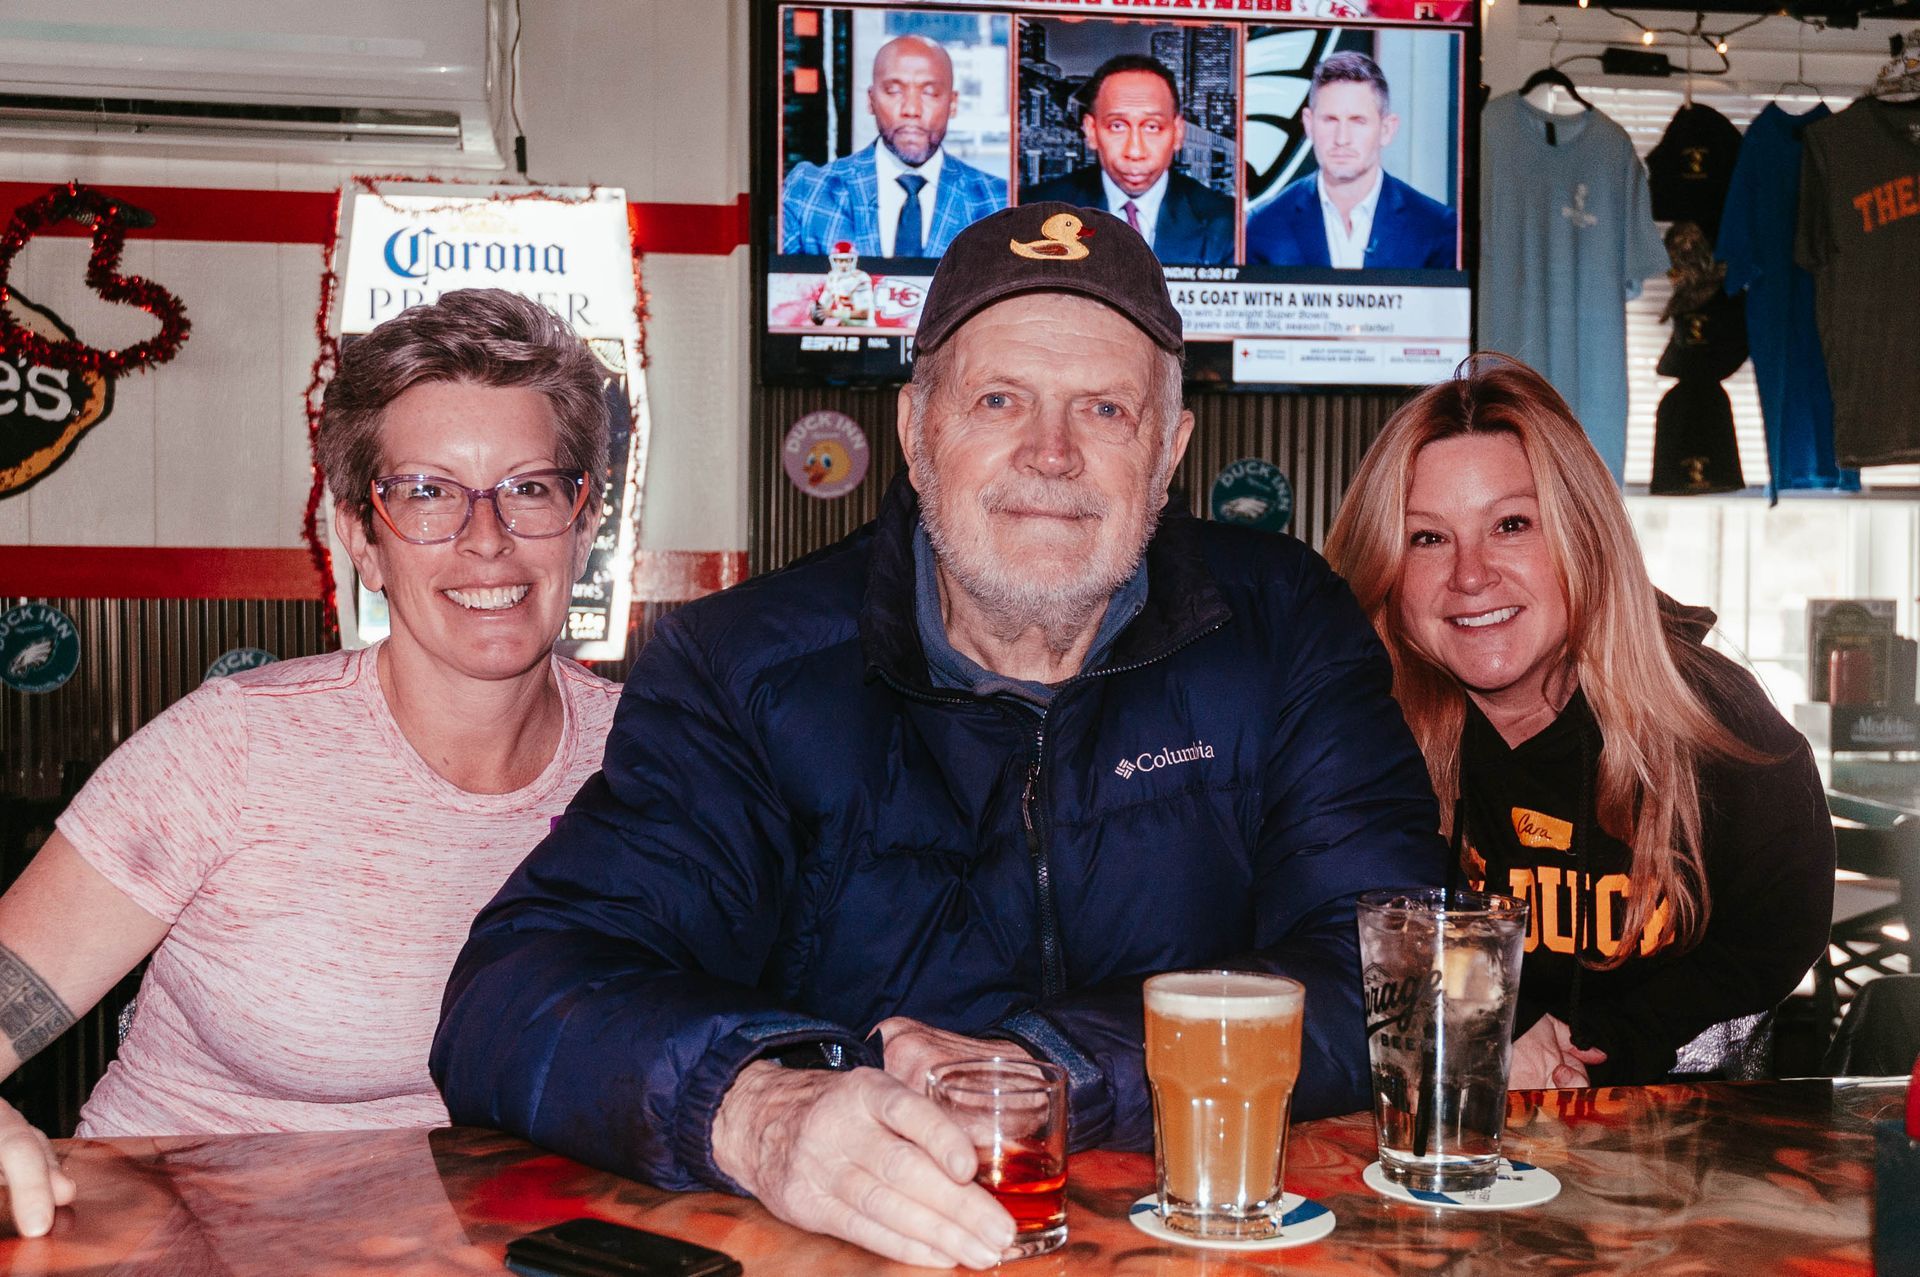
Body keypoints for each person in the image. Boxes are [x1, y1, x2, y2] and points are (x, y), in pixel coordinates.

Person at [432, 201, 1444, 1270]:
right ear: (918, 431)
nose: (1050, 454)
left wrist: (1049, 1067)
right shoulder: (742, 669)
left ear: (1169, 449)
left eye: (1104, 409)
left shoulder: (1284, 625)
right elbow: (517, 991)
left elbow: (1393, 967)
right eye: (999, 398)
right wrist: (765, 1110)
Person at [0, 288, 620, 1238]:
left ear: (585, 519)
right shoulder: (235, 749)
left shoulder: (657, 761)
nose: (485, 537)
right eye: (426, 493)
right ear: (358, 539)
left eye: (530, 486)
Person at [1323, 355, 1835, 1089]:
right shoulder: (1359, 734)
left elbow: (1779, 927)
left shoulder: (1714, 718)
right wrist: (1493, 1023)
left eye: (1511, 524)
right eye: (1426, 537)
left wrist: (1600, 1047)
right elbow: (1327, 928)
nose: (1470, 575)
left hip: (1678, 1149)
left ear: (1583, 536)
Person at [783, 35, 1007, 258]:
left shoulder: (997, 201)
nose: (911, 109)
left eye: (930, 93)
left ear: (953, 103)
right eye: (894, 91)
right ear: (871, 100)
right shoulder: (809, 191)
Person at [1245, 52, 1457, 270]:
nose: (1342, 139)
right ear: (1309, 125)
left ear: (1386, 129)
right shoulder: (1262, 227)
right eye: (1330, 120)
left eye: (1358, 121)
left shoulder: (1437, 228)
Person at [1020, 54, 1236, 265]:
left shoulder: (1227, 222)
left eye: (1152, 127)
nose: (1135, 151)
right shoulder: (1036, 212)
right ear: (1091, 131)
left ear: (1178, 133)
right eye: (1117, 126)